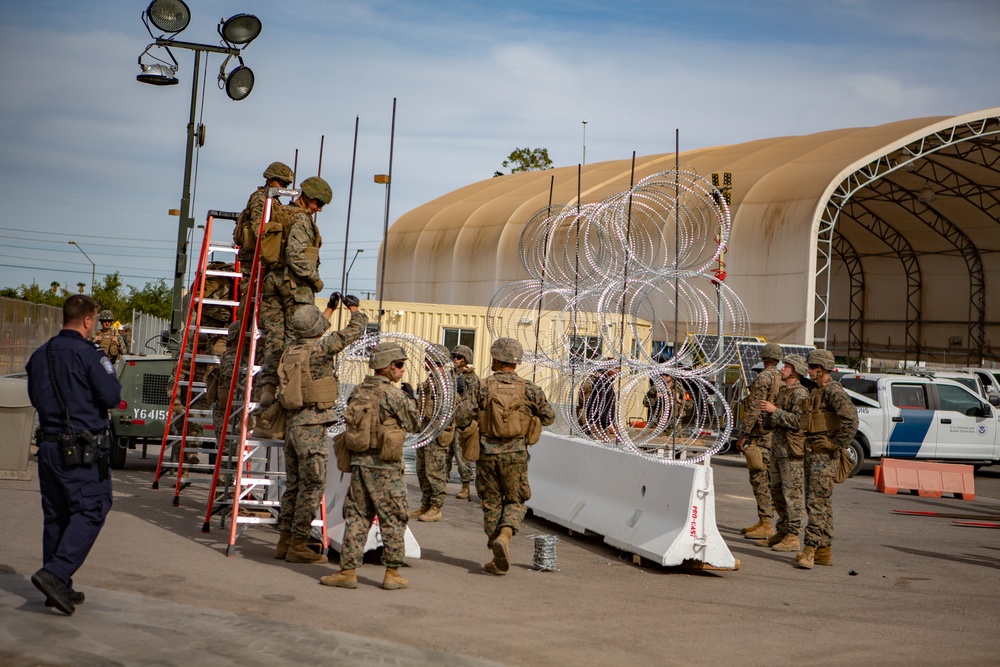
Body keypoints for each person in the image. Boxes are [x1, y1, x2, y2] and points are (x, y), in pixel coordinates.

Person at [25, 295, 121, 615]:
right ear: (88, 321)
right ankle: (55, 573)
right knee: (93, 506)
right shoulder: (89, 353)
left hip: (49, 446)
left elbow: (35, 396)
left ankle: (58, 586)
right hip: (80, 451)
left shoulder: (41, 355)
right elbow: (111, 395)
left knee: (57, 514)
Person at [276, 298, 367, 564]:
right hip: (312, 424)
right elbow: (353, 332)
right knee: (312, 485)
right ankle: (298, 544)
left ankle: (284, 541)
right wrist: (355, 311)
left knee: (293, 485)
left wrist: (329, 310)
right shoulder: (321, 349)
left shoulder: (290, 349)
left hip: (292, 426)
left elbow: (312, 330)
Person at [321, 341, 419, 590]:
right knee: (392, 517)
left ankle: (347, 571)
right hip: (385, 465)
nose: (402, 370)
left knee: (357, 516)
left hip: (360, 463)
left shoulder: (358, 391)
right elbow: (414, 423)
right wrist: (411, 400)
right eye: (398, 365)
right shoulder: (393, 394)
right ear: (386, 366)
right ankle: (393, 572)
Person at [456, 337, 555, 576]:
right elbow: (549, 417)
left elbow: (461, 417)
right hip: (516, 454)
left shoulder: (481, 386)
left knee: (491, 503)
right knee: (516, 500)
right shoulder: (529, 388)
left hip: (487, 454)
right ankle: (506, 535)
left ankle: (496, 553)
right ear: (516, 361)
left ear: (495, 358)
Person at [258, 175, 332, 408]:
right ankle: (288, 390)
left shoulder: (281, 213)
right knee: (296, 338)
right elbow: (295, 254)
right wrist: (314, 279)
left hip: (272, 282)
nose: (319, 209)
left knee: (273, 338)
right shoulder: (301, 220)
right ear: (306, 197)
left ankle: (268, 388)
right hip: (294, 285)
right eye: (317, 203)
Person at [796, 349, 859, 569]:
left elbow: (851, 421)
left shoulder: (834, 391)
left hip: (824, 457)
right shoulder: (817, 391)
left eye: (812, 368)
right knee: (820, 503)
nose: (809, 371)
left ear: (821, 368)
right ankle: (824, 550)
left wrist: (834, 444)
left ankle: (810, 550)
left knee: (816, 503)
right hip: (813, 453)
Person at [757, 354, 810, 553]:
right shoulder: (784, 392)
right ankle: (783, 530)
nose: (782, 369)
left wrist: (774, 412)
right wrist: (768, 421)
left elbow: (799, 421)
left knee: (791, 494)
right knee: (776, 491)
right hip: (778, 449)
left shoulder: (800, 394)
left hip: (792, 452)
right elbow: (781, 419)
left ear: (795, 371)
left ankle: (793, 535)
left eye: (787, 366)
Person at [736, 342, 783, 540]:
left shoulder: (764, 377)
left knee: (759, 479)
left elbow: (754, 407)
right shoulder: (780, 377)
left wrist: (743, 434)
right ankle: (765, 520)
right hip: (773, 435)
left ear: (764, 357)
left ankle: (766, 523)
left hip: (760, 436)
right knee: (769, 478)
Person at [410, 344, 457, 522]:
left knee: (434, 471)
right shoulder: (432, 380)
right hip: (426, 432)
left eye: (427, 359)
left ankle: (436, 507)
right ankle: (426, 504)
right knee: (422, 470)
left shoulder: (446, 383)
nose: (424, 362)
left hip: (436, 434)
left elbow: (444, 411)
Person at [234, 161, 294, 295]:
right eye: (282, 183)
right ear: (270, 179)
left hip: (265, 258)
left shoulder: (273, 200)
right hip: (254, 259)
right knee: (252, 298)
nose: (284, 187)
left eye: (286, 185)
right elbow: (259, 230)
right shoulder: (261, 199)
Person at [448, 344, 479, 500]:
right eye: (454, 356)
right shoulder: (449, 375)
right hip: (447, 421)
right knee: (444, 456)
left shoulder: (472, 378)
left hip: (462, 422)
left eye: (459, 357)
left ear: (466, 359)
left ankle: (466, 486)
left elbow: (473, 401)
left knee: (462, 457)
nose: (455, 359)